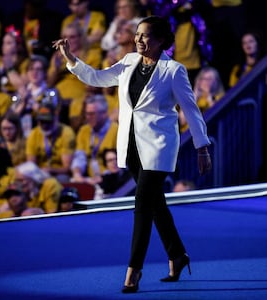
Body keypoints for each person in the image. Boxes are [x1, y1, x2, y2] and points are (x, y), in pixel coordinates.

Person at [53, 15, 212, 293]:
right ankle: (177, 255)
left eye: (146, 35)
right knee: (156, 205)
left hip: (158, 146)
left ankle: (134, 270)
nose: (139, 39)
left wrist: (202, 147)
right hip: (130, 145)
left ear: (161, 39)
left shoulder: (173, 70)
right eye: (137, 34)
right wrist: (71, 58)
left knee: (141, 206)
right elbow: (99, 78)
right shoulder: (127, 62)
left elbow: (190, 109)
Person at [69, 94, 118, 183]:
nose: (88, 117)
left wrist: (104, 178)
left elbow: (119, 165)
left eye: (92, 114)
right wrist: (77, 173)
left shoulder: (116, 130)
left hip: (112, 180)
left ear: (104, 114)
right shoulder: (84, 130)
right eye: (87, 113)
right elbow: (79, 157)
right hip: (90, 180)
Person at [26, 102, 76, 184]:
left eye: (48, 121)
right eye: (42, 122)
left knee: (61, 180)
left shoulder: (66, 133)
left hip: (59, 174)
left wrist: (50, 170)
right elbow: (31, 165)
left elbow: (67, 169)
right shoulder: (33, 134)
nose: (45, 125)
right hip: (39, 174)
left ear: (56, 118)